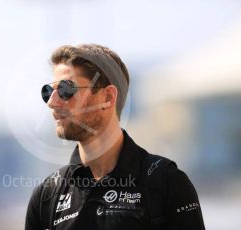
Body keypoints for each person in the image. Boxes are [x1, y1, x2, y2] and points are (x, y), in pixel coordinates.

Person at [25, 44, 205, 230]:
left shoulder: (166, 182)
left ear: (108, 97)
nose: (53, 102)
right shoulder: (46, 196)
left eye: (65, 89)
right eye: (48, 92)